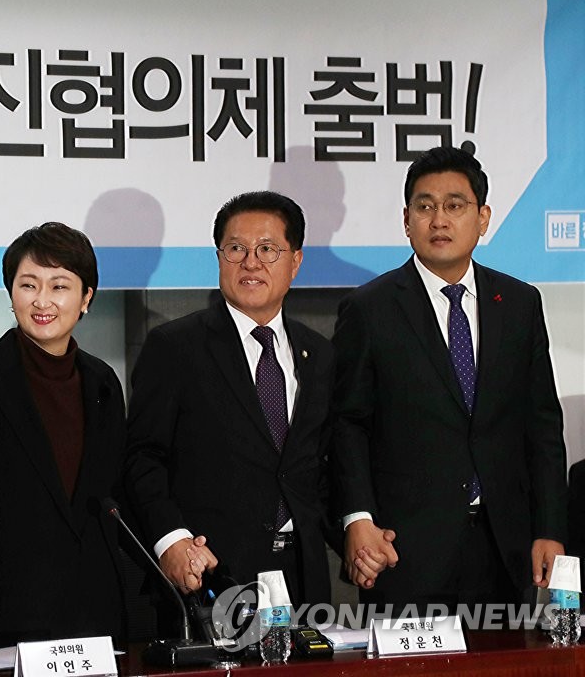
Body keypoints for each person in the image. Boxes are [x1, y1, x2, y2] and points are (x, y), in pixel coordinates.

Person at [332, 146, 568, 613]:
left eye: (455, 205)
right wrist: (358, 518)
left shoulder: (519, 303)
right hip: (404, 551)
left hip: (505, 548)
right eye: (425, 206)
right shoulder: (369, 309)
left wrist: (550, 528)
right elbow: (346, 425)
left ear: (483, 218)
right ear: (406, 220)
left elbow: (541, 424)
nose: (439, 219)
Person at [123, 191, 351, 621]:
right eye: (236, 249)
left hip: (303, 576)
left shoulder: (318, 354)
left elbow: (317, 468)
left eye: (267, 249)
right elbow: (142, 457)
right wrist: (171, 541)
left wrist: (353, 533)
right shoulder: (175, 347)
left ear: (295, 262)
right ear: (219, 257)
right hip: (211, 574)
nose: (251, 262)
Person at [0, 222, 126, 653]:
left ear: (86, 298)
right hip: (4, 617)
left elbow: (115, 496)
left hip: (94, 619)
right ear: (11, 293)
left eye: (59, 286)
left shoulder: (103, 383)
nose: (42, 301)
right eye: (28, 285)